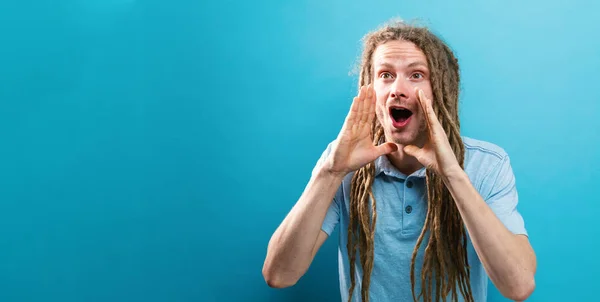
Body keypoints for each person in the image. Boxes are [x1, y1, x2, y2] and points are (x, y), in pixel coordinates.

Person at [261, 20, 537, 302]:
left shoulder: (488, 164)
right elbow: (280, 275)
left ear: (441, 90)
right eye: (385, 75)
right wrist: (331, 171)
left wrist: (452, 174)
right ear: (370, 89)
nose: (397, 89)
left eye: (416, 75)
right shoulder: (342, 163)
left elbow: (518, 286)